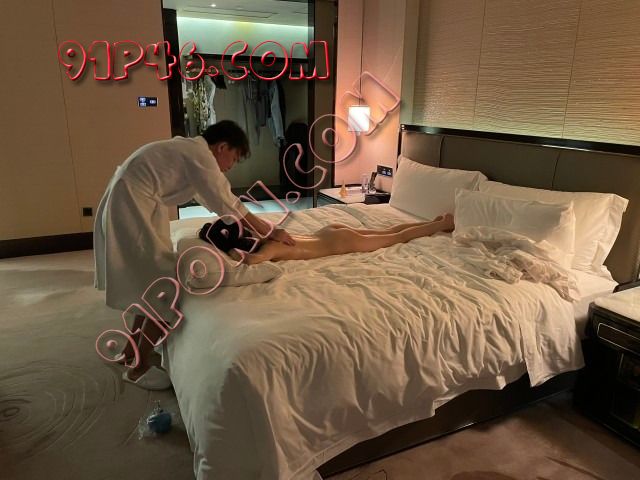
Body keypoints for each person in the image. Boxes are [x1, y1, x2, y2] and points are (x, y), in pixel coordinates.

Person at [94, 120, 295, 389]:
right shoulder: (200, 155)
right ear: (222, 147)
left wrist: (256, 230)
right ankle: (137, 369)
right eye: (234, 158)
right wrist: (270, 231)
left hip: (131, 201)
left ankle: (131, 353)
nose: (231, 166)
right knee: (163, 286)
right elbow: (228, 202)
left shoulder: (189, 151)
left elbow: (214, 200)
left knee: (148, 284)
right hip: (132, 205)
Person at [204, 214, 455, 265]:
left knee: (395, 237)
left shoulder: (268, 248)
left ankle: (442, 224)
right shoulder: (266, 236)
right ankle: (434, 222)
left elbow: (251, 261)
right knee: (388, 231)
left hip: (339, 242)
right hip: (328, 232)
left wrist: (227, 250)